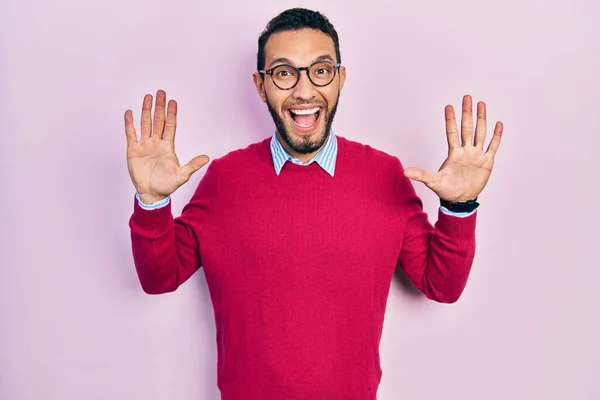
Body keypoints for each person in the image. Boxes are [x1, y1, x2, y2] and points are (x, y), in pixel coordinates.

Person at [124, 7, 503, 400]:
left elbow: (441, 285)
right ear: (260, 85)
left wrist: (459, 207)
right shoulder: (224, 179)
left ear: (340, 78)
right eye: (285, 73)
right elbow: (159, 278)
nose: (304, 91)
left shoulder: (385, 175)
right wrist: (152, 201)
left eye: (320, 70)